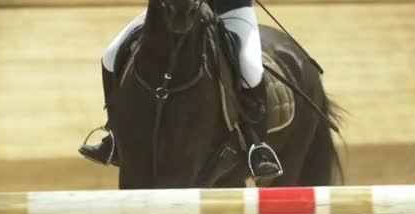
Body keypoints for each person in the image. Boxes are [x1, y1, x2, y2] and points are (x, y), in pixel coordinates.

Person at [79, 0, 283, 180]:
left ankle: (257, 146)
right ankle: (114, 133)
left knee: (251, 68)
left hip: (230, 10)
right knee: (110, 55)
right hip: (169, 7)